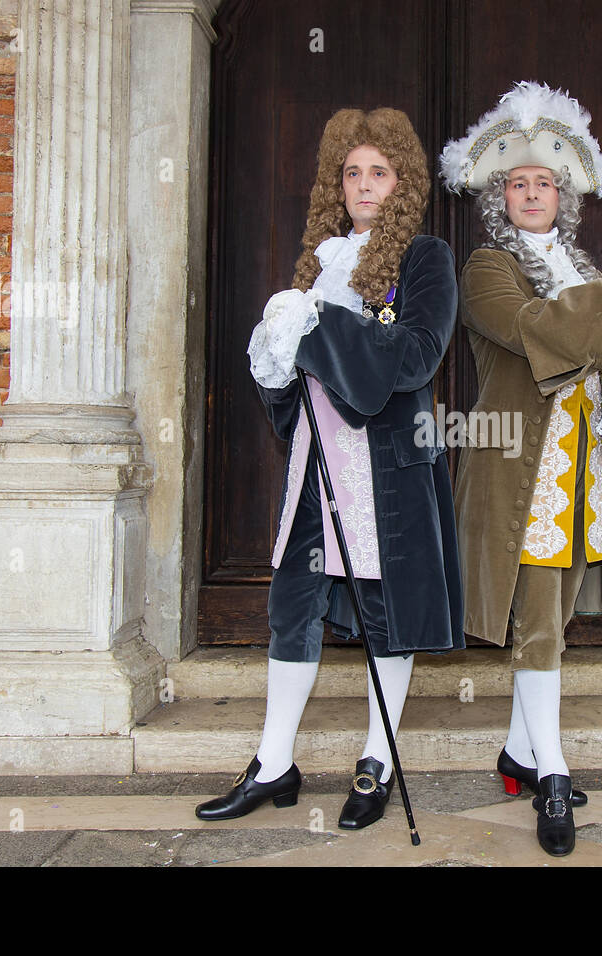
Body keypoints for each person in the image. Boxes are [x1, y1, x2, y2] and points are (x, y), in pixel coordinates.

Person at [196, 107, 463, 830]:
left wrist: (317, 328)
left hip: (388, 470)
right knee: (292, 607)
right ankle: (274, 763)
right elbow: (291, 385)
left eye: (379, 172)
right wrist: (280, 352)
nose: (364, 185)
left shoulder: (425, 257)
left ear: (401, 181)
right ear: (336, 185)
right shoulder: (320, 261)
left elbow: (414, 357)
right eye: (352, 173)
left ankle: (376, 762)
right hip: (317, 463)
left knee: (387, 619)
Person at [440, 81, 602, 856]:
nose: (532, 192)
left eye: (545, 182)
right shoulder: (485, 268)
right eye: (518, 182)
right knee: (537, 624)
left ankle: (518, 752)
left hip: (584, 469)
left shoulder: (580, 270)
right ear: (499, 196)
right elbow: (528, 328)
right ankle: (551, 773)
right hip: (524, 470)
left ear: (563, 195)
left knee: (557, 618)